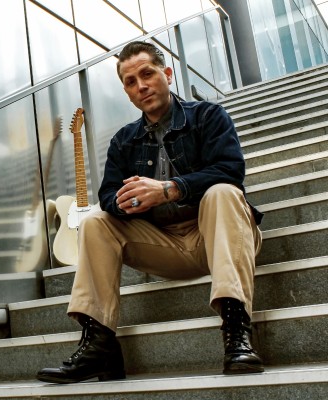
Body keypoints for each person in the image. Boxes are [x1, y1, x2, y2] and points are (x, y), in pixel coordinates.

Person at [36, 41, 264, 384]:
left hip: (217, 236)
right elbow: (107, 196)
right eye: (130, 81)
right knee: (96, 220)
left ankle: (236, 331)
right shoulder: (123, 141)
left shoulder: (208, 116)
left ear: (167, 74)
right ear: (126, 92)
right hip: (162, 245)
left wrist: (169, 189)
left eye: (147, 74)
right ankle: (100, 346)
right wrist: (129, 201)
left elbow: (231, 170)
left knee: (223, 191)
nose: (141, 86)